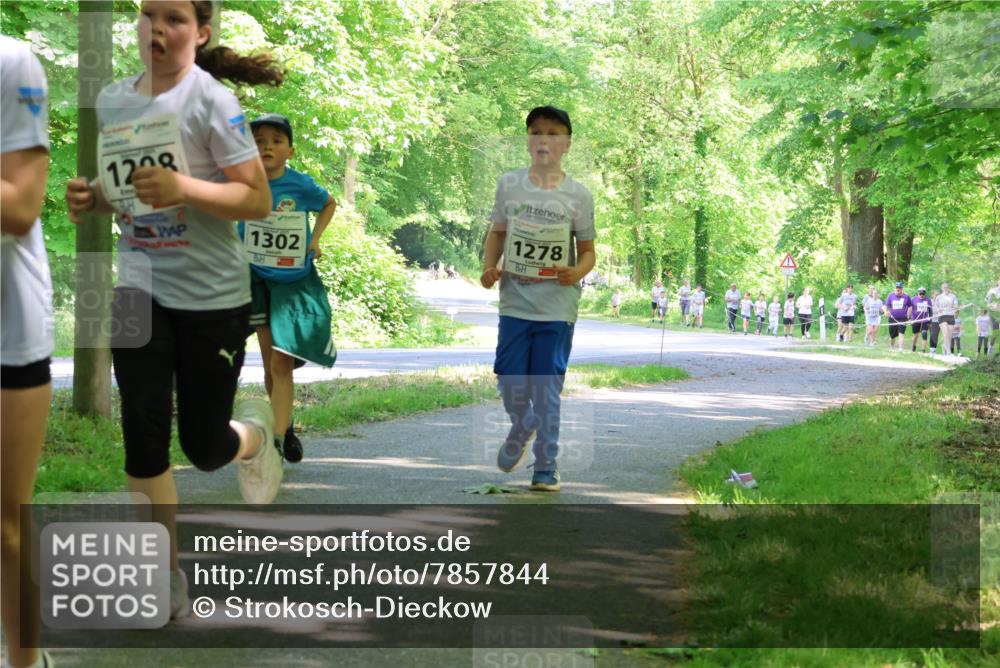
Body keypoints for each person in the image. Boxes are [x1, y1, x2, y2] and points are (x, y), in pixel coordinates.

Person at [64, 0, 285, 617]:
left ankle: (255, 437)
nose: (156, 28)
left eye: (174, 18)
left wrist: (184, 187)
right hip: (137, 291)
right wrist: (92, 197)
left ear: (201, 32)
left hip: (212, 297)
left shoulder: (213, 101)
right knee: (142, 435)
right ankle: (162, 578)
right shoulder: (114, 99)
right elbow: (126, 190)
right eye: (147, 15)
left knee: (203, 448)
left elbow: (256, 199)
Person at [480, 105, 596, 493]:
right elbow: (497, 233)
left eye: (552, 133)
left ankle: (546, 465)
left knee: (546, 389)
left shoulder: (578, 195)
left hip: (557, 306)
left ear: (567, 144)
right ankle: (523, 423)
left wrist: (576, 272)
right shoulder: (509, 185)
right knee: (508, 379)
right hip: (515, 302)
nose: (543, 140)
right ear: (528, 141)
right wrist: (489, 267)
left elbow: (588, 252)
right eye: (536, 133)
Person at [242, 113, 338, 463]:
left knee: (282, 362)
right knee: (272, 363)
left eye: (276, 141)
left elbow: (328, 203)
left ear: (290, 151)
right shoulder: (241, 182)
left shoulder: (300, 185)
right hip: (255, 278)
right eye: (259, 141)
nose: (267, 146)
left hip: (292, 281)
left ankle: (278, 437)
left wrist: (315, 239)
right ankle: (285, 427)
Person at [1, 34, 54, 668]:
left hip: (8, 330)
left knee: (5, 527)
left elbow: (20, 206)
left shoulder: (11, 62)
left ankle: (27, 660)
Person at [883, 282, 911, 352]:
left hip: (903, 318)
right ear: (895, 288)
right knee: (892, 335)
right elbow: (886, 305)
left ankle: (900, 349)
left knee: (901, 333)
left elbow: (910, 306)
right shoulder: (891, 295)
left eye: (899, 288)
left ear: (902, 289)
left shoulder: (906, 296)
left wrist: (908, 316)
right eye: (897, 288)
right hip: (893, 318)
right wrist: (886, 311)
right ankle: (892, 346)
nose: (898, 289)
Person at [935, 282, 959, 356]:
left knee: (950, 335)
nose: (945, 288)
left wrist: (953, 306)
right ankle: (948, 351)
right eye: (944, 287)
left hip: (951, 316)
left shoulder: (953, 296)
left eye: (947, 287)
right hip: (942, 316)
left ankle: (944, 345)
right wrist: (938, 309)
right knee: (945, 334)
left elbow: (956, 306)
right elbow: (936, 306)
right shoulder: (939, 297)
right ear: (942, 288)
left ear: (949, 288)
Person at [909, 287, 932, 353]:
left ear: (925, 294)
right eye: (920, 294)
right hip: (915, 320)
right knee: (916, 335)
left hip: (925, 320)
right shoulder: (913, 299)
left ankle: (923, 350)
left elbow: (930, 310)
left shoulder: (928, 300)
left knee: (924, 333)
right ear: (918, 293)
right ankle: (914, 346)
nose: (921, 295)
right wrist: (909, 318)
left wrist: (930, 320)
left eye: (923, 294)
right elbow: (910, 308)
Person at [987, 279, 1000, 355]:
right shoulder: (993, 291)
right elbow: (989, 303)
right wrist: (995, 307)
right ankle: (991, 347)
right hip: (993, 313)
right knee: (995, 331)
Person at [928, 289, 941, 353]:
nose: (937, 296)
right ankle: (932, 349)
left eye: (938, 295)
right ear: (932, 295)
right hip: (932, 320)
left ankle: (934, 348)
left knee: (936, 335)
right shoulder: (930, 301)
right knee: (933, 334)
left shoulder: (941, 302)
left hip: (939, 320)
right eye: (936, 295)